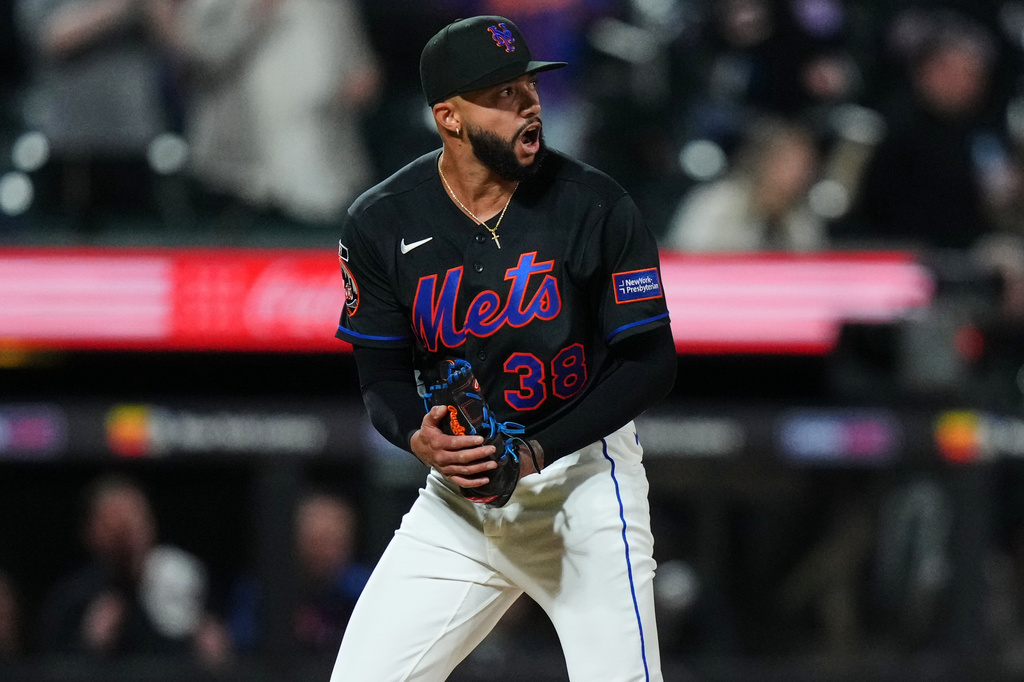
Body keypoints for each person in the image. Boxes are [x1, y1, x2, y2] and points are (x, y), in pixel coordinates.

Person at [331, 15, 677, 681]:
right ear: (449, 117)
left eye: (528, 88)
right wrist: (417, 438)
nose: (528, 107)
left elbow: (651, 363)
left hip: (581, 487)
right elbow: (379, 375)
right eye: (502, 96)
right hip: (460, 501)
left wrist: (534, 450)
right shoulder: (382, 221)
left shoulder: (592, 204)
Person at [171, 0, 381, 229]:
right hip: (243, 176)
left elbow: (361, 68)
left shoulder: (332, 5)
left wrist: (359, 83)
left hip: (323, 164)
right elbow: (196, 57)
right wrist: (253, 15)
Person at [37, 474, 230, 664]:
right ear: (90, 532)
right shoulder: (72, 599)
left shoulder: (185, 579)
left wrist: (216, 657)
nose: (126, 534)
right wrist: (88, 646)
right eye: (113, 524)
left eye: (133, 518)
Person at [226, 491, 370, 654]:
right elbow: (239, 640)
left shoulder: (365, 589)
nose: (329, 552)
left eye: (337, 542)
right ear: (296, 541)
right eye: (320, 542)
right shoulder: (262, 588)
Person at [663, 116, 825, 252]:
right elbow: (685, 260)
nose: (800, 173)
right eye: (790, 164)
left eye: (806, 165)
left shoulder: (802, 216)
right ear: (763, 162)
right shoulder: (716, 203)